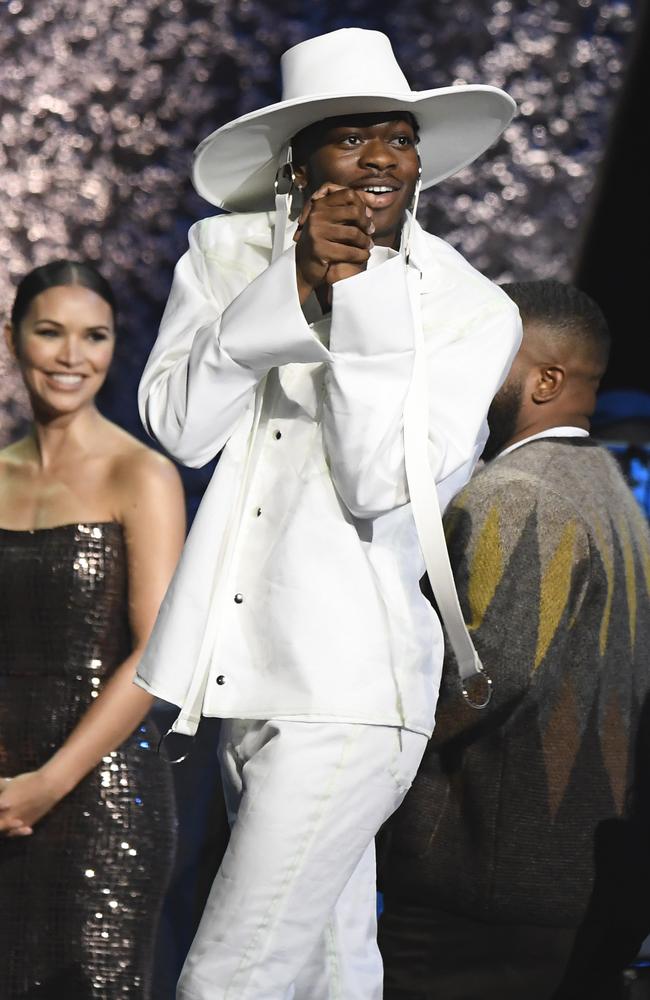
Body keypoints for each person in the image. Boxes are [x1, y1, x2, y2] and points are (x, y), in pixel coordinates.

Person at [135, 27, 522, 1000]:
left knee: (230, 974)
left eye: (396, 136)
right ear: (299, 157)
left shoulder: (467, 308)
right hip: (238, 672)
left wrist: (357, 304)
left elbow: (375, 482)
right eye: (349, 138)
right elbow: (181, 426)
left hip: (352, 688)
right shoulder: (224, 254)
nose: (380, 158)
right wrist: (288, 289)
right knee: (328, 971)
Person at [377, 279, 650, 1000]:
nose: (459, 369)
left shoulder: (521, 491)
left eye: (486, 351)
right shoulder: (607, 487)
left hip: (480, 885)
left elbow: (484, 676)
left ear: (546, 378)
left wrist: (365, 750)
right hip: (558, 883)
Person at [0, 260, 186, 998]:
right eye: (51, 333)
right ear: (14, 339)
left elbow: (156, 652)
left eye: (94, 336)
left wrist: (49, 784)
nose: (73, 357)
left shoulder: (140, 474)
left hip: (103, 796)